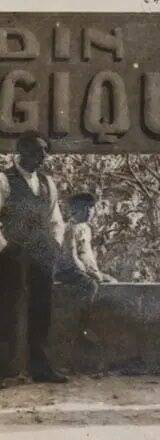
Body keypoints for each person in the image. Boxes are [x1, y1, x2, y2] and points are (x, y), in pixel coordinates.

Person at [0, 133, 69, 384]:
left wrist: (55, 244)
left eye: (45, 151)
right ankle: (4, 370)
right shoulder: (3, 180)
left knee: (42, 309)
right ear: (22, 150)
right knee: (7, 308)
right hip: (12, 255)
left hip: (41, 254)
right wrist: (5, 247)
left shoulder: (47, 182)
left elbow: (55, 218)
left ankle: (41, 368)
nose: (43, 156)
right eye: (38, 151)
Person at [56, 191, 116, 345]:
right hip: (67, 270)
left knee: (111, 282)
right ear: (75, 209)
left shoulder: (86, 229)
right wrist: (89, 274)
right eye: (84, 208)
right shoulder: (70, 229)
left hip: (82, 269)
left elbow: (88, 256)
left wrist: (97, 272)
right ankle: (82, 327)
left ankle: (99, 326)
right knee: (90, 286)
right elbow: (72, 257)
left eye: (91, 207)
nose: (89, 211)